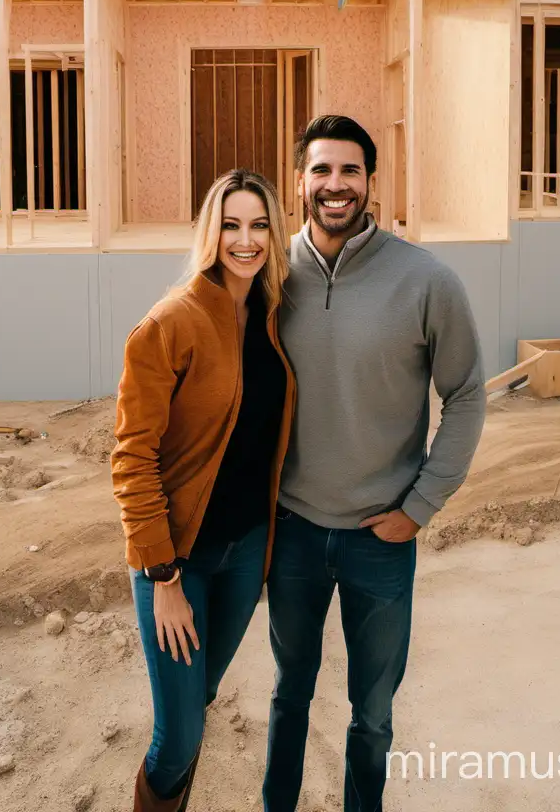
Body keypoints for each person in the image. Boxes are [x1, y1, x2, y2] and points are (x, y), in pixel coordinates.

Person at [263, 115, 486, 812]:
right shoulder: (267, 275)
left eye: (350, 171)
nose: (336, 186)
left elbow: (469, 393)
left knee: (373, 713)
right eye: (322, 170)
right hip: (292, 531)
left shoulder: (425, 280)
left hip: (380, 540)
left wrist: (419, 508)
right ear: (299, 181)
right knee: (288, 694)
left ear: (370, 182)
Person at [112, 169, 296, 812]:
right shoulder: (170, 323)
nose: (245, 240)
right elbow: (132, 458)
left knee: (200, 701)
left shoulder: (276, 315)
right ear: (209, 231)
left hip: (247, 553)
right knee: (178, 735)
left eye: (259, 225)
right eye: (230, 224)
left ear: (275, 233)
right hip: (178, 561)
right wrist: (163, 579)